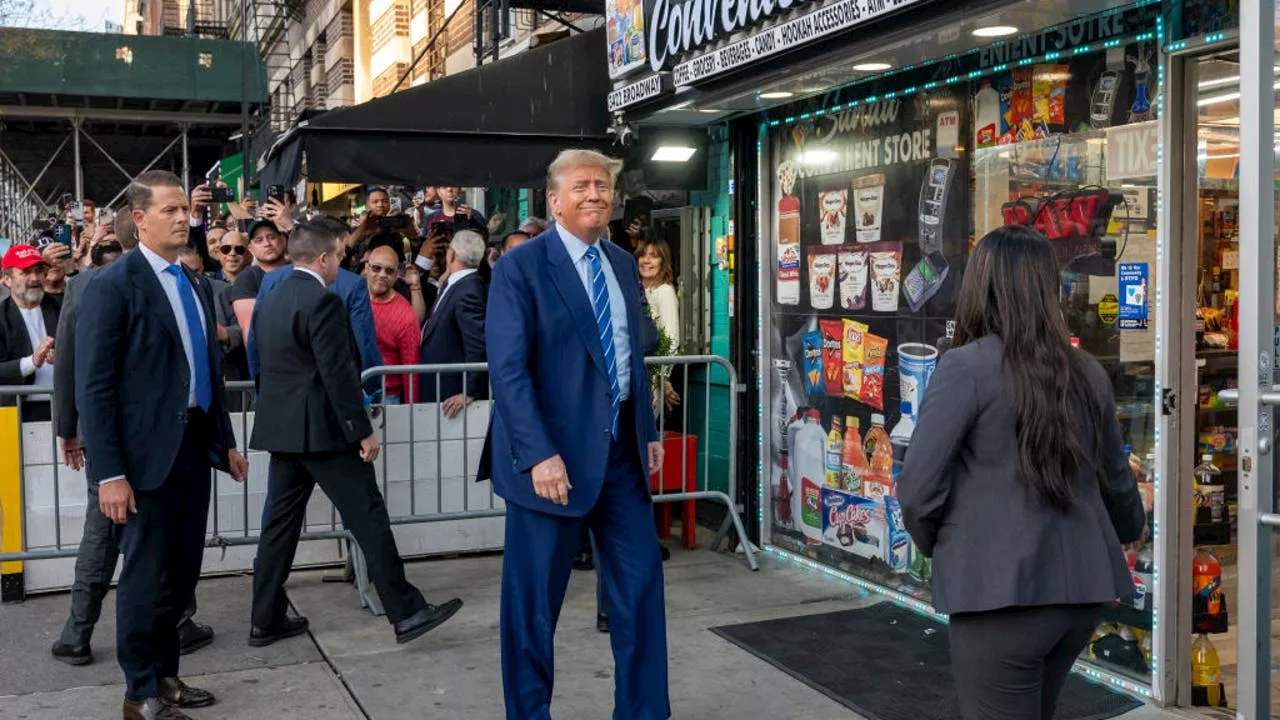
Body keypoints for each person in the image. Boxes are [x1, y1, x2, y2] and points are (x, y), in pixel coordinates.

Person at [898, 225, 1145, 720]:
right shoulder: (1086, 370)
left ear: (980, 287)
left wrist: (944, 546)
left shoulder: (964, 368)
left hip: (998, 598)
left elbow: (918, 492)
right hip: (1081, 595)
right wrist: (1130, 530)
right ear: (1049, 289)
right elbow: (1117, 482)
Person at [480, 149, 668, 720]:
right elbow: (508, 371)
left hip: (621, 462)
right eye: (582, 185)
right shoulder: (521, 267)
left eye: (604, 185)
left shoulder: (619, 260)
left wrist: (648, 429)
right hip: (550, 469)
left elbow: (632, 355)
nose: (595, 194)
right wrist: (539, 454)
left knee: (640, 595)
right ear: (554, 200)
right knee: (534, 611)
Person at [76, 170, 248, 720]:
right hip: (141, 463)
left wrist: (224, 443)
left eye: (185, 209)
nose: (183, 218)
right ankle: (139, 693)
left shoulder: (195, 283)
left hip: (193, 450)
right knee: (145, 578)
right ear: (140, 219)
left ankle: (168, 676)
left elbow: (206, 373)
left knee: (181, 574)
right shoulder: (113, 284)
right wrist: (108, 473)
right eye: (170, 210)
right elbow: (95, 387)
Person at [247, 220, 462, 648]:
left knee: (278, 528)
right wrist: (361, 430)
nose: (343, 264)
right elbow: (339, 375)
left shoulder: (269, 296)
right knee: (368, 517)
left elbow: (261, 361)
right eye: (342, 256)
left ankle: (264, 618)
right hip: (326, 433)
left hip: (283, 431)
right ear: (324, 258)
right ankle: (407, 611)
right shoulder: (322, 301)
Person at [418, 229, 487, 414]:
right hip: (439, 386)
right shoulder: (455, 283)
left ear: (451, 254)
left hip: (451, 392)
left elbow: (477, 344)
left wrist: (470, 391)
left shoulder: (468, 290)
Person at [0, 244, 61, 422]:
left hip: (63, 410)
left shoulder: (63, 307)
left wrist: (64, 358)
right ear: (7, 279)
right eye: (26, 272)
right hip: (17, 414)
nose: (34, 278)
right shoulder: (2, 318)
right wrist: (31, 362)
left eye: (39, 271)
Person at [362, 243, 420, 404]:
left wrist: (411, 410)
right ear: (367, 267)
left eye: (389, 271)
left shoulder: (405, 316)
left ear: (396, 276)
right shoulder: (352, 297)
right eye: (376, 268)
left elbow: (411, 370)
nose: (382, 274)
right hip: (351, 390)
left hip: (386, 397)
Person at [635, 239, 682, 416]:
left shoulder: (665, 291)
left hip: (652, 376)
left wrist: (663, 377)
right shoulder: (636, 288)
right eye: (643, 255)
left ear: (663, 262)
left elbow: (671, 338)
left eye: (654, 256)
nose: (646, 261)